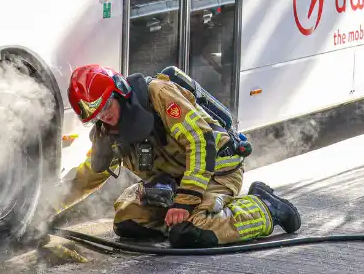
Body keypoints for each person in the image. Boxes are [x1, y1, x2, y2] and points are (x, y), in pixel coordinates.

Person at [42, 65, 301, 248]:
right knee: (128, 221)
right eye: (97, 115)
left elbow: (200, 140)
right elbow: (87, 175)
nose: (105, 117)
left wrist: (185, 203)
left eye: (107, 106)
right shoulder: (109, 132)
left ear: (119, 91)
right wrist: (45, 210)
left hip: (215, 173)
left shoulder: (159, 95)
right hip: (172, 182)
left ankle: (265, 208)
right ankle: (182, 220)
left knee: (192, 232)